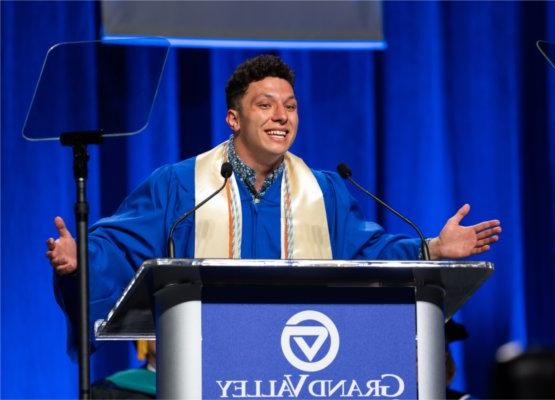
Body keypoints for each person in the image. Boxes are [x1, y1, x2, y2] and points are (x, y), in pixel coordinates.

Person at [46, 54, 501, 354]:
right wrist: (81, 257)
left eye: (291, 106)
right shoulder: (180, 186)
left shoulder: (323, 191)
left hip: (306, 365)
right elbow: (122, 244)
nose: (282, 116)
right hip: (207, 368)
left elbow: (368, 254)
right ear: (233, 118)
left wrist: (433, 249)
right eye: (265, 105)